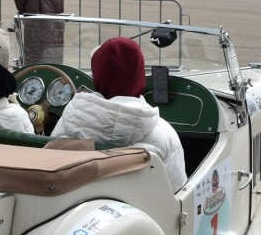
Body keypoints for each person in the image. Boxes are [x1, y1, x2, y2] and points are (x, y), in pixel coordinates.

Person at [50, 36, 187, 188]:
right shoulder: (165, 134)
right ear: (139, 75)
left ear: (98, 77)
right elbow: (178, 192)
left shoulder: (68, 122)